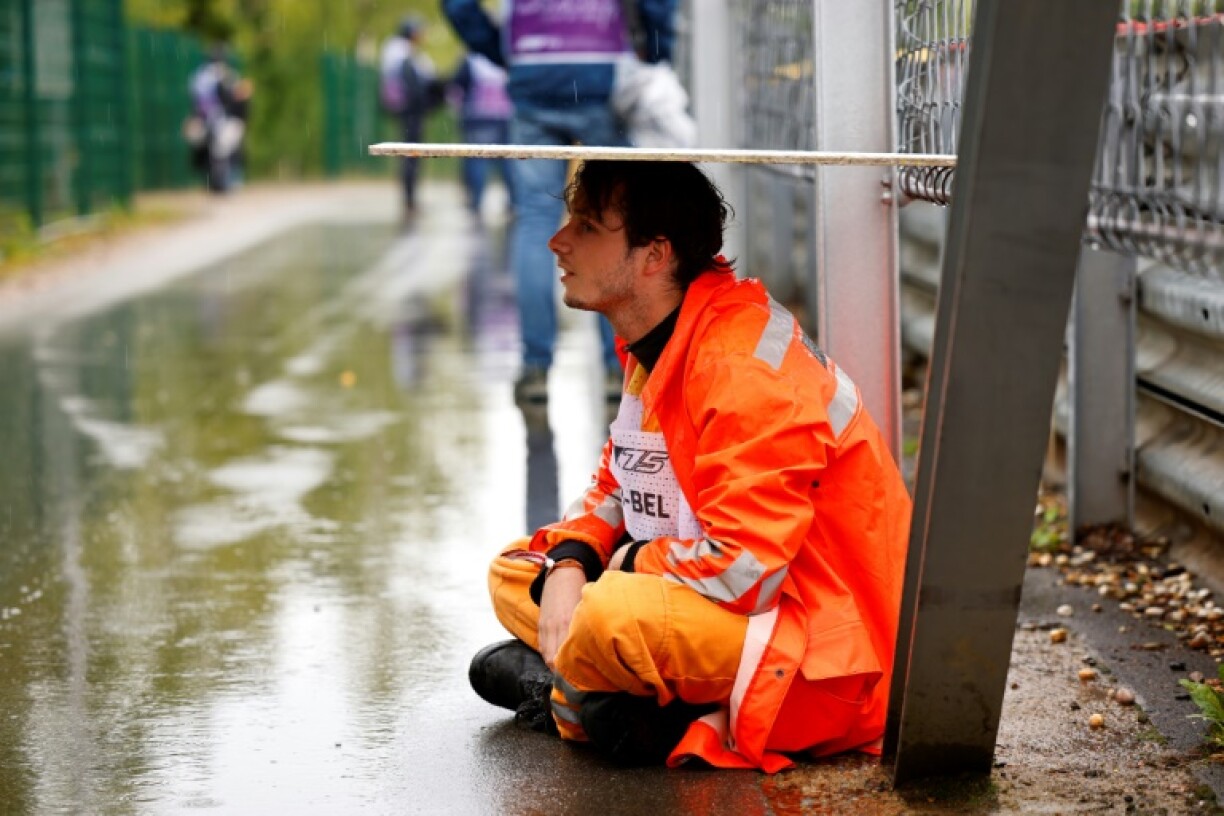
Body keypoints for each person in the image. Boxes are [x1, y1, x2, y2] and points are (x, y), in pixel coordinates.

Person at [466, 161, 912, 771]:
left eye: (588, 226)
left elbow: (743, 574)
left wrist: (618, 564)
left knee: (604, 615)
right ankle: (606, 700)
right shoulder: (661, 336)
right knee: (516, 572)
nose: (557, 239)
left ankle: (568, 698)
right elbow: (616, 485)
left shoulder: (739, 368)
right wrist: (572, 560)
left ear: (654, 255)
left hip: (824, 645)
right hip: (738, 601)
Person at [441, 0, 679, 405]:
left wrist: (503, 51)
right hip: (601, 66)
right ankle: (618, 367)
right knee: (615, 219)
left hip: (533, 71)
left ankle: (535, 368)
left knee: (534, 220)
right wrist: (656, 47)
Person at [380, 15, 441, 222]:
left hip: (405, 111)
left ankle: (410, 199)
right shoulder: (403, 54)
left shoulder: (394, 51)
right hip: (410, 111)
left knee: (409, 155)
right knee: (410, 155)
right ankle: (410, 200)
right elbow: (415, 85)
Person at [448, 52, 515, 220]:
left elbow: (455, 89)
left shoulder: (471, 60)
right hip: (505, 118)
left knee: (477, 160)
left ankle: (476, 203)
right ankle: (513, 202)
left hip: (478, 117)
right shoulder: (508, 57)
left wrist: (460, 110)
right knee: (509, 160)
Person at [188, 48, 239, 193]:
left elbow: (194, 98)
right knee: (222, 150)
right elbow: (229, 96)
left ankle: (212, 182)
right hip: (218, 116)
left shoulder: (198, 76)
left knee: (209, 150)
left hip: (202, 116)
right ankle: (221, 183)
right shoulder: (222, 74)